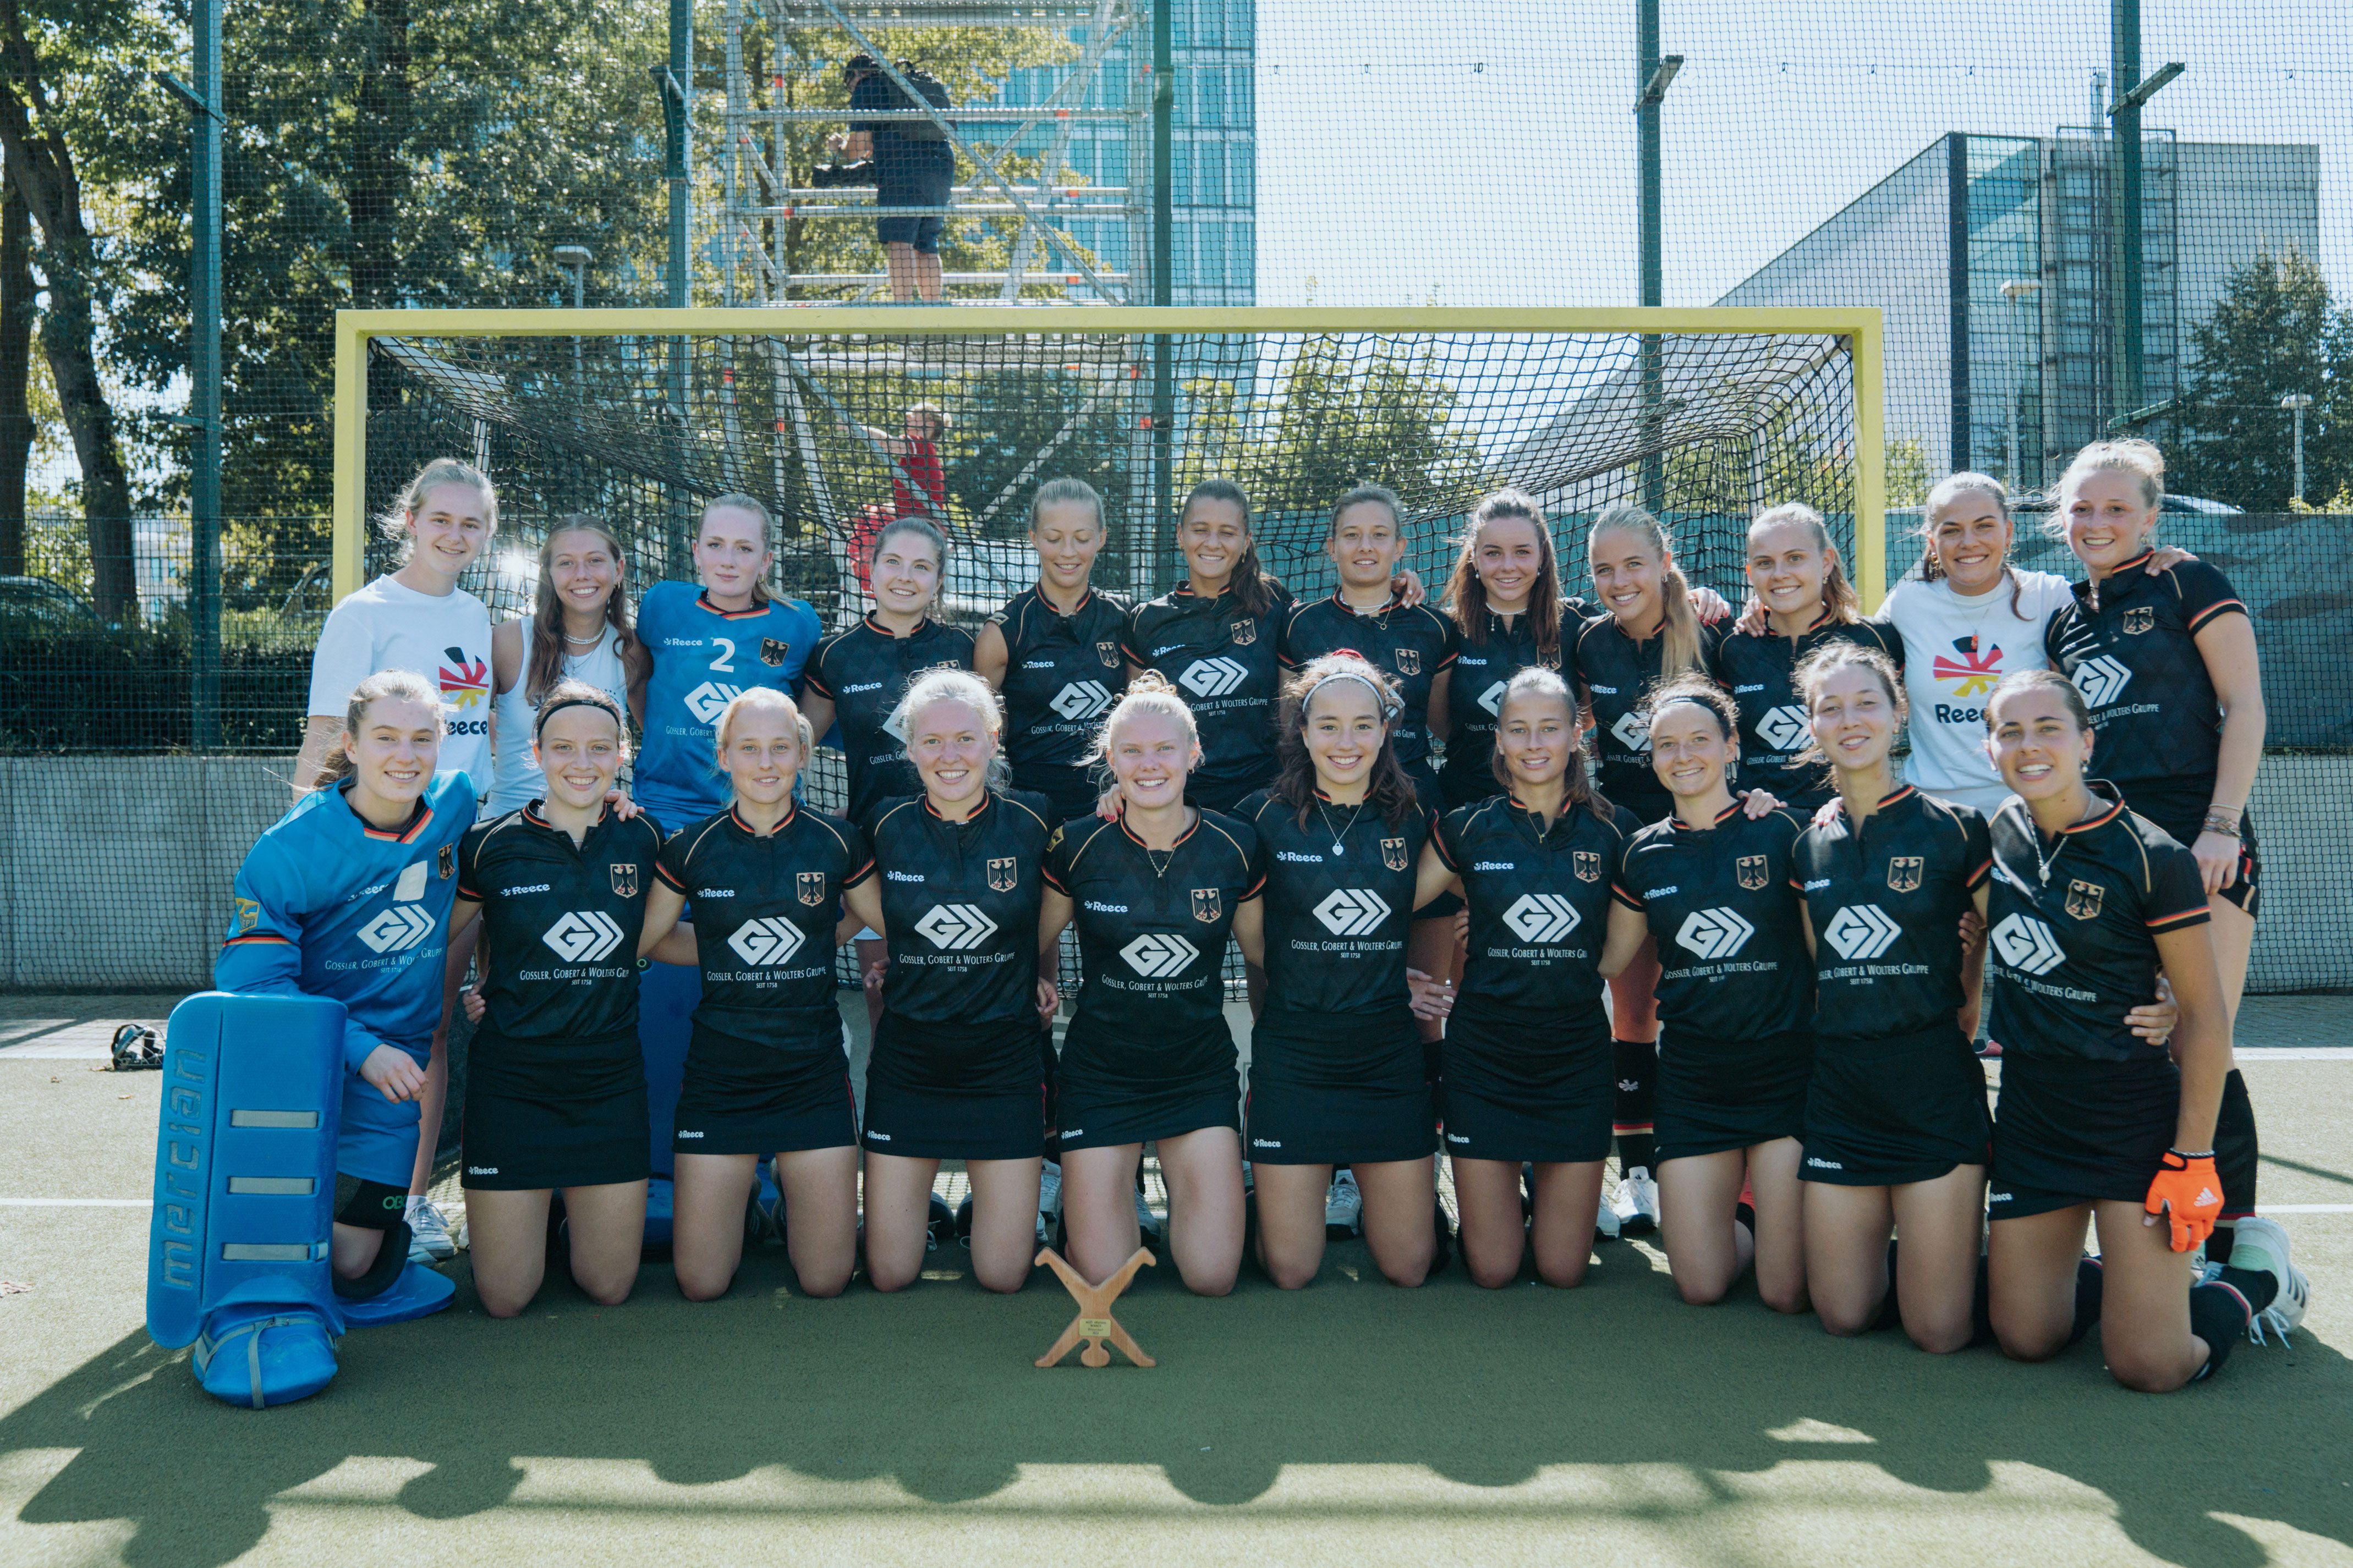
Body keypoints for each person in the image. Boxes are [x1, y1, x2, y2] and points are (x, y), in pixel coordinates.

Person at [1977, 669, 2302, 1389]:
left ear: (2086, 741)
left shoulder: (2153, 854)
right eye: (2010, 731)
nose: (2029, 745)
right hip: (2034, 1121)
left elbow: (2205, 1018)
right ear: (1988, 748)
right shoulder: (1995, 832)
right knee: (2025, 1337)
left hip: (2130, 1122)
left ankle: (2253, 1276)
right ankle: (2116, 1273)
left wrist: (2192, 1157)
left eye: (2048, 727)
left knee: (2150, 1365)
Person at [2041, 439, 2290, 1308]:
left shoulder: (2190, 581)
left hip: (2199, 835)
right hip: (2113, 851)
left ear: (2150, 515)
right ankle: (2157, 1231)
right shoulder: (2063, 618)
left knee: (2198, 1033)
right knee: (2139, 1035)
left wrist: (2219, 825)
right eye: (2081, 507)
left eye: (2117, 507)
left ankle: (2242, 1241)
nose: (2097, 521)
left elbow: (2244, 704)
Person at [218, 670, 475, 1317]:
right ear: (352, 745)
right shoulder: (289, 850)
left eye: (422, 738)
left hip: (391, 1076)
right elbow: (255, 986)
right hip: (301, 1064)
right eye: (386, 737)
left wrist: (610, 803)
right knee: (271, 1241)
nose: (405, 755)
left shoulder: (456, 802)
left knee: (354, 1263)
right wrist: (360, 1048)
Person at [295, 458, 497, 1259]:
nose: (455, 534)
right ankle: (325, 1200)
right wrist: (308, 849)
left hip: (458, 849)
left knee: (433, 1024)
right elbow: (325, 735)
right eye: (440, 518)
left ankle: (411, 1206)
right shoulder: (363, 613)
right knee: (355, 1024)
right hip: (375, 853)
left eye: (472, 523)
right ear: (409, 520)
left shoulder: (478, 614)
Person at [1787, 644, 1992, 1351]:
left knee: (1937, 1332)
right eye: (1830, 708)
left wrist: (2155, 990)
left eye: (1865, 703)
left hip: (1931, 1090)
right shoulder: (1806, 844)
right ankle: (1931, 1259)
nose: (1849, 720)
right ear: (1811, 725)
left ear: (1897, 712)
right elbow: (1819, 969)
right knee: (1841, 1314)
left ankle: (2007, 1269)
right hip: (1842, 1095)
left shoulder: (1955, 828)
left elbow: (2015, 935)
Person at [447, 684, 673, 1317]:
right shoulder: (487, 844)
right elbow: (444, 936)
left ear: (622, 754)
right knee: (505, 1299)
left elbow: (661, 935)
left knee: (608, 1287)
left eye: (599, 748)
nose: (582, 762)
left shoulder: (644, 837)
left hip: (608, 1082)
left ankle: (563, 1210)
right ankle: (532, 1212)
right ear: (536, 753)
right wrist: (472, 987)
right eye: (564, 747)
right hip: (511, 1083)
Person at [641, 688, 870, 1302]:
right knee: (700, 1283)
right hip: (722, 1077)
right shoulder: (691, 846)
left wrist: (821, 937)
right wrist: (726, 949)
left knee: (825, 1280)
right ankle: (741, 1197)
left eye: (779, 748)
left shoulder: (837, 841)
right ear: (723, 756)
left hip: (811, 1072)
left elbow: (882, 916)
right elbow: (651, 939)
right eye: (748, 748)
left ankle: (790, 1195)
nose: (765, 763)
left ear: (803, 754)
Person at [1415, 667, 1641, 1289]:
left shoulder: (1616, 829)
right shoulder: (1465, 827)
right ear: (1498, 739)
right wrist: (1399, 977)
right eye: (1517, 729)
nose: (1534, 743)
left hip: (1575, 1063)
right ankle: (1487, 1201)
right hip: (1483, 1061)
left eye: (1549, 728)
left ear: (1576, 736)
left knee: (1562, 1271)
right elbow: (1387, 905)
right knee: (1493, 1270)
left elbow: (1612, 959)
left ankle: (1542, 1189)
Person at [1039, 673, 1261, 1294]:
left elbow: (1269, 954)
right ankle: (1095, 1205)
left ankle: (1231, 1191)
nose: (1149, 764)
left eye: (1165, 748)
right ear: (1110, 761)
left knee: (1212, 1277)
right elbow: (1024, 942)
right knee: (1106, 1276)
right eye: (1131, 751)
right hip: (1101, 1076)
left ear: (1194, 753)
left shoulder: (1235, 844)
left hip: (1196, 1074)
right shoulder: (1077, 844)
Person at [841, 669, 1056, 1294]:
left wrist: (1039, 977)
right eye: (932, 741)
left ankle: (990, 1217)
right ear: (910, 749)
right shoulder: (883, 824)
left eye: (965, 738)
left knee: (1002, 1275)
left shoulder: (1036, 819)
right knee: (889, 1272)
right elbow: (863, 910)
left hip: (1004, 1061)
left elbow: (1058, 907)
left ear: (993, 740)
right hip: (910, 1061)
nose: (949, 755)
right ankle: (926, 1217)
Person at [1234, 656, 1444, 1290]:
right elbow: (1256, 943)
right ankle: (1254, 1201)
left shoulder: (1417, 815)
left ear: (1385, 730)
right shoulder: (1259, 816)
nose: (1344, 742)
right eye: (1327, 725)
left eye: (1361, 724)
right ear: (1302, 731)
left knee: (1408, 1267)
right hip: (1294, 1055)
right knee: (1291, 1269)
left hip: (1385, 1059)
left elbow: (1484, 868)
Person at [1608, 675, 1812, 1313]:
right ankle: (1750, 1213)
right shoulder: (1641, 854)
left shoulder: (1784, 831)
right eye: (1666, 744)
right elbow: (1606, 959)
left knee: (1784, 1294)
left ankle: (1768, 1206)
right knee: (1699, 1285)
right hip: (1694, 1083)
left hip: (1785, 1077)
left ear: (1730, 746)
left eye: (1698, 739)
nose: (1682, 755)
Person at [1570, 503, 1725, 1238]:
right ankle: (1637, 1175)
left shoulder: (1715, 635)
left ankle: (1719, 1164)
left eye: (1634, 563)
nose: (1618, 580)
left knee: (1710, 1007)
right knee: (1632, 1011)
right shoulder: (1586, 641)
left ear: (1665, 562)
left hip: (1711, 848)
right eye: (1603, 569)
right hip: (1630, 853)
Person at [804, 514, 977, 1028]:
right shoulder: (834, 655)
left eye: (921, 566)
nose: (905, 576)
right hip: (874, 849)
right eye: (893, 562)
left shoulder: (962, 648)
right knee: (883, 998)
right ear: (872, 568)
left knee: (963, 995)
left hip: (961, 842)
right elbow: (795, 745)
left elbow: (992, 740)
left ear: (938, 579)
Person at [632, 494, 825, 829]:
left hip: (764, 811)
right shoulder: (661, 604)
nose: (728, 561)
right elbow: (641, 682)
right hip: (666, 808)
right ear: (696, 551)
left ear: (766, 561)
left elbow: (802, 714)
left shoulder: (797, 622)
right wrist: (666, 740)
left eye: (744, 549)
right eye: (715, 545)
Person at [1121, 480, 1297, 816]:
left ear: (1246, 541)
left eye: (1227, 533)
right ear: (1180, 535)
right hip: (1179, 805)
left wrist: (1391, 590)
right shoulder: (1146, 621)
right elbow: (1137, 721)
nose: (1212, 543)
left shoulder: (1274, 604)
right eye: (1200, 530)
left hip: (1267, 800)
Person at [1715, 502, 1902, 811]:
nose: (1780, 574)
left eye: (1795, 558)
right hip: (1760, 822)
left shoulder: (1876, 638)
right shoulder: (1732, 648)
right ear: (1750, 573)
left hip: (1853, 820)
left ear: (1826, 562)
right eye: (1765, 563)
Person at [975, 477, 1133, 819]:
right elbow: (976, 732)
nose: (1068, 552)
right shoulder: (1004, 632)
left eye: (1082, 538)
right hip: (1030, 814)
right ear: (1033, 537)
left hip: (1114, 810)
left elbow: (1143, 718)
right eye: (1053, 538)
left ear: (1102, 538)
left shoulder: (1125, 621)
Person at [484, 518, 649, 816]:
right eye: (566, 563)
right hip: (508, 827)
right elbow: (465, 723)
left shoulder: (631, 650)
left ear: (618, 570)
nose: (582, 575)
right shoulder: (509, 642)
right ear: (547, 574)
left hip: (593, 831)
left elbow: (657, 742)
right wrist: (518, 741)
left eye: (595, 560)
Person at [831, 54, 956, 301]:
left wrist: (840, 148)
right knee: (927, 243)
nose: (851, 88)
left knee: (899, 240)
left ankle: (903, 306)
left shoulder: (867, 88)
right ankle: (933, 307)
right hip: (940, 165)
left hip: (902, 168)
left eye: (849, 82)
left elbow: (858, 148)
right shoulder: (906, 86)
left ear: (857, 75)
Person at [859, 404, 951, 521]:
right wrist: (891, 509)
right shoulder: (926, 451)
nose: (907, 415)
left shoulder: (922, 445)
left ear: (929, 424)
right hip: (920, 523)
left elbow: (887, 443)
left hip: (923, 526)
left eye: (915, 413)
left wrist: (854, 427)